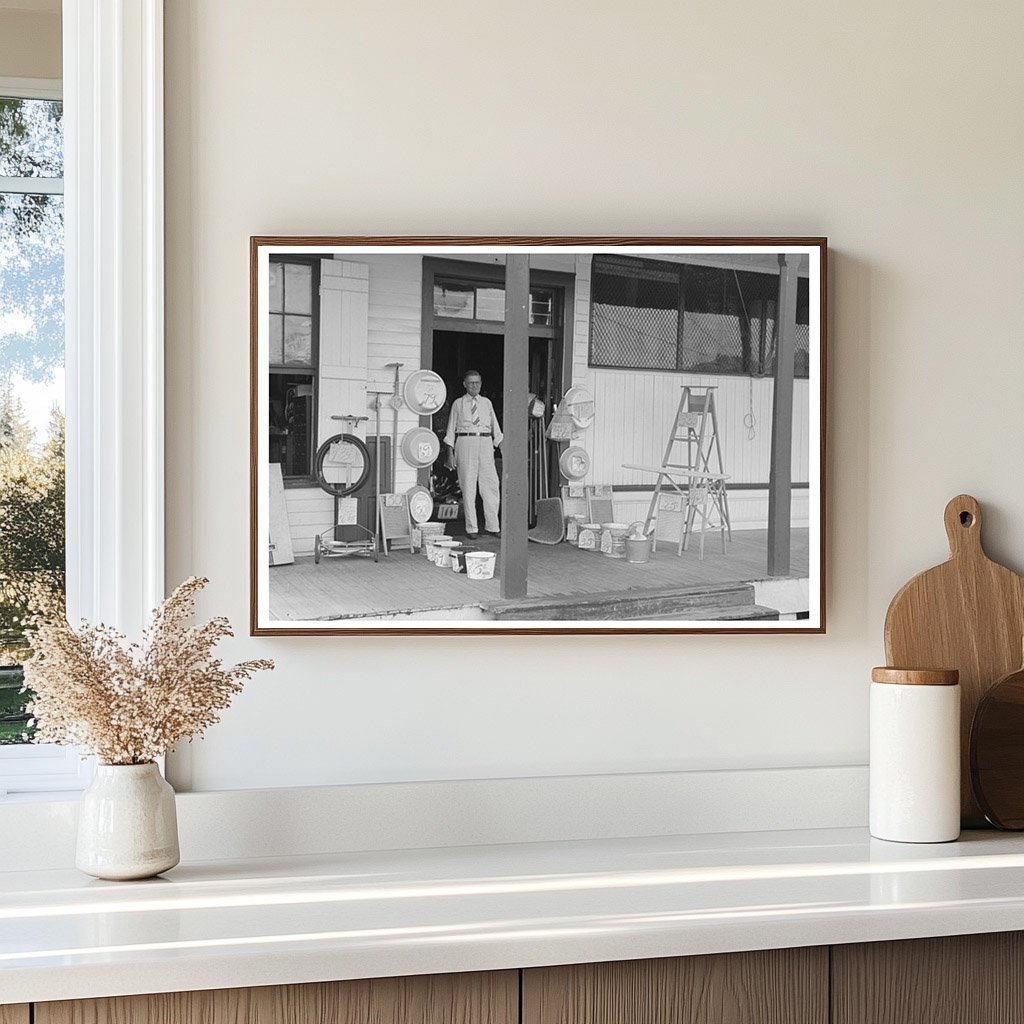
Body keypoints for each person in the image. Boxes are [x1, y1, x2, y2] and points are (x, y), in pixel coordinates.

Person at [443, 370, 503, 538]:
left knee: (490, 484)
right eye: (471, 383)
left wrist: (501, 445)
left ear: (481, 383)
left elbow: (496, 428)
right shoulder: (458, 404)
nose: (474, 386)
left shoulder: (487, 403)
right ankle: (472, 528)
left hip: (485, 442)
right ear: (465, 384)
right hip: (465, 442)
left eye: (477, 382)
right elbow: (450, 430)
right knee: (468, 486)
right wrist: (450, 454)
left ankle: (493, 526)